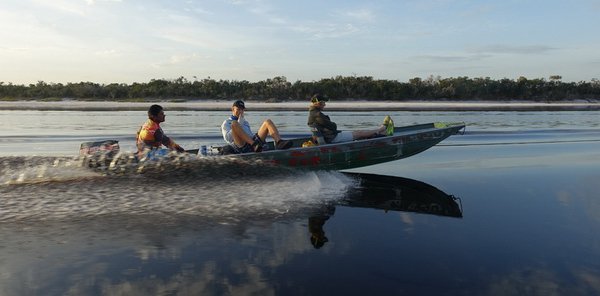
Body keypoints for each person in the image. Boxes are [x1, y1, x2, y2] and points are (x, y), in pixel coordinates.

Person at [307, 94, 394, 144]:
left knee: (358, 133)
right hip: (333, 138)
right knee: (359, 133)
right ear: (316, 104)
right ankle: (383, 128)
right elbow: (334, 127)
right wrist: (329, 127)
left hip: (329, 137)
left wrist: (326, 128)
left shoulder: (312, 113)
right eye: (322, 103)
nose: (324, 105)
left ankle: (381, 131)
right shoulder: (318, 115)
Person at [221, 100, 293, 153]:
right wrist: (238, 124)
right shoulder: (226, 123)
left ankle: (279, 142)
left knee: (268, 122)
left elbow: (250, 135)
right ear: (233, 109)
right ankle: (254, 145)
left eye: (242, 109)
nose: (240, 111)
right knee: (234, 124)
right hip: (240, 145)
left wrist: (261, 142)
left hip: (252, 144)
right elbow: (228, 139)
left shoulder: (245, 122)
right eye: (238, 109)